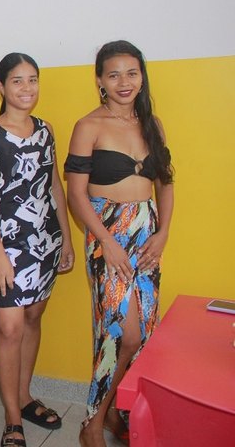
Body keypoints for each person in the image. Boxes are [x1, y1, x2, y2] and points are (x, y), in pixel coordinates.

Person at [65, 40, 174, 447]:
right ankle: (91, 422)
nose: (123, 82)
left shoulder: (153, 124)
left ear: (142, 76)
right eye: (113, 74)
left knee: (143, 333)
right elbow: (77, 194)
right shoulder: (88, 125)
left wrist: (163, 233)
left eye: (131, 73)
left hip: (147, 232)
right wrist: (105, 241)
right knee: (120, 333)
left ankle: (114, 411)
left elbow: (165, 182)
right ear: (100, 81)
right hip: (105, 231)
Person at [0, 53, 75, 446]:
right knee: (9, 327)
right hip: (6, 246)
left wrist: (65, 236)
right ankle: (12, 418)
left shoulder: (46, 130)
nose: (26, 88)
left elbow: (53, 187)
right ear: (1, 87)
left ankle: (24, 394)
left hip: (44, 240)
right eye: (17, 81)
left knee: (33, 317)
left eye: (33, 80)